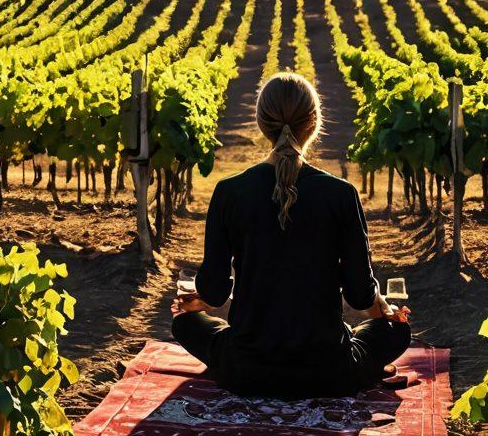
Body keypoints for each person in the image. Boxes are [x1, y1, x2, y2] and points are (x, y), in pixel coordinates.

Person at [170, 72, 411, 399]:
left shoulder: (229, 192)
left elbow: (213, 293)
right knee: (397, 332)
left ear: (260, 123)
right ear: (314, 123)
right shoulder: (341, 194)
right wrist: (385, 313)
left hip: (246, 369)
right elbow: (359, 295)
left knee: (184, 325)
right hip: (329, 372)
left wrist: (193, 305)